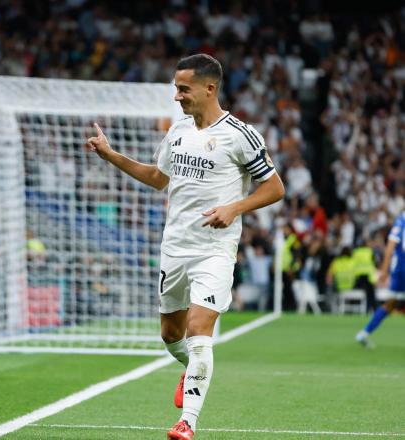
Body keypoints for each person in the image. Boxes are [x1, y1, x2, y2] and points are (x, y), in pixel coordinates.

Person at [86, 54, 284, 440]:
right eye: (175, 88)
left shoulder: (240, 134)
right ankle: (191, 367)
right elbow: (158, 178)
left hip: (214, 249)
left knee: (198, 331)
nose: (176, 96)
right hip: (175, 247)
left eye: (183, 88)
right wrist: (111, 157)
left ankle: (187, 422)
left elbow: (275, 188)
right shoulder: (177, 131)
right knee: (171, 335)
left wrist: (235, 207)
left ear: (210, 88)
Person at [356, 212, 405, 348]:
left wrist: (385, 271)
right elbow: (390, 247)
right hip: (402, 267)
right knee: (392, 303)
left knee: (391, 303)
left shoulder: (401, 219)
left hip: (399, 269)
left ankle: (364, 333)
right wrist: (384, 271)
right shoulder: (402, 220)